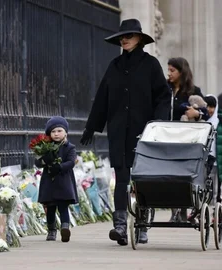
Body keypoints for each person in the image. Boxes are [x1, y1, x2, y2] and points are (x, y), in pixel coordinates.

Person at [80, 18, 171, 246]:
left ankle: (141, 226)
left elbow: (162, 95)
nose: (125, 39)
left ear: (139, 38)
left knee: (142, 179)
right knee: (121, 178)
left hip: (144, 132)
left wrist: (158, 124)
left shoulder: (151, 65)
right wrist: (91, 126)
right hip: (119, 131)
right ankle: (120, 226)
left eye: (129, 36)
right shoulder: (115, 66)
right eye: (122, 36)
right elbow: (102, 98)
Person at [167, 57, 209, 222]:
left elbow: (206, 112)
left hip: (186, 140)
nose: (169, 73)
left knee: (183, 175)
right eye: (168, 70)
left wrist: (196, 114)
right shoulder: (165, 89)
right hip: (166, 138)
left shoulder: (193, 91)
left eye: (172, 70)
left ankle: (183, 208)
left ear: (181, 72)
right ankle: (174, 211)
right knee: (168, 174)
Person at [35, 116, 78, 243]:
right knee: (50, 207)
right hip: (49, 181)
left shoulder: (69, 147)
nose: (56, 134)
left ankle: (65, 227)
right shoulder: (45, 146)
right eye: (53, 132)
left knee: (63, 206)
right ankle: (51, 230)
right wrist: (44, 160)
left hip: (64, 181)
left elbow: (71, 162)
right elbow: (38, 162)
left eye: (59, 131)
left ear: (65, 132)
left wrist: (59, 167)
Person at [203, 95, 222, 205]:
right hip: (205, 161)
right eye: (207, 106)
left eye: (212, 106)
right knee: (204, 189)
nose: (210, 109)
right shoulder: (202, 122)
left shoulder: (221, 123)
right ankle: (202, 214)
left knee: (217, 190)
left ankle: (217, 214)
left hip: (218, 161)